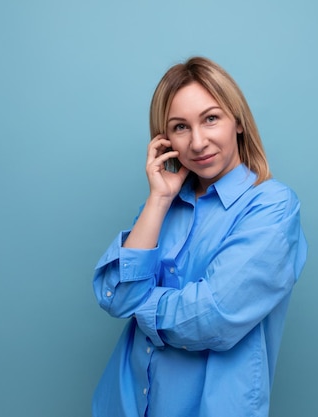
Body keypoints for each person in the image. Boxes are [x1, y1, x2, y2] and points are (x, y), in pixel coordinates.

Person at [92, 56, 307, 417]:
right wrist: (159, 198)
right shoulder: (165, 204)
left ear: (236, 121)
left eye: (211, 118)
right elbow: (113, 292)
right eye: (180, 127)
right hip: (125, 404)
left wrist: (137, 299)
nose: (197, 141)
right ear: (165, 139)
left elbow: (210, 318)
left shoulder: (272, 206)